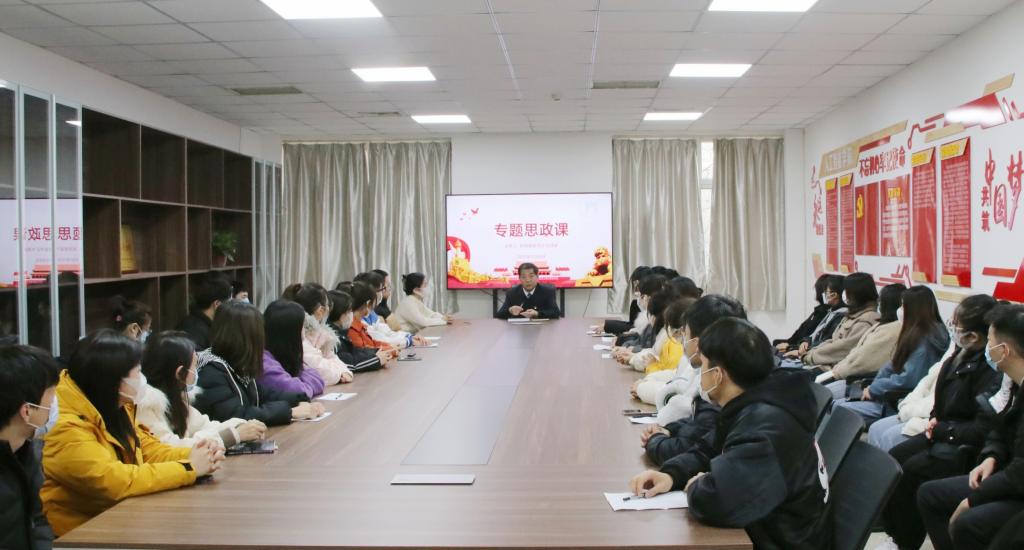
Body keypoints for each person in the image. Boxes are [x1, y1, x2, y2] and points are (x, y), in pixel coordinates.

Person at [629, 318, 830, 549]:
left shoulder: (766, 426)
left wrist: (697, 486)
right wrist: (672, 475)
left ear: (718, 374)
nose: (700, 374)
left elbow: (717, 501)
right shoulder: (750, 405)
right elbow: (706, 449)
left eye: (703, 365)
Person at [40, 330, 224, 536]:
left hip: (121, 519)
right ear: (112, 380)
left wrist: (198, 454)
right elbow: (113, 481)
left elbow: (148, 450)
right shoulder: (66, 426)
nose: (142, 378)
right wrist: (188, 468)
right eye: (137, 371)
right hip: (79, 533)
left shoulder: (115, 404)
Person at [875, 294, 1001, 550]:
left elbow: (983, 426)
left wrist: (943, 429)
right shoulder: (959, 355)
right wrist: (935, 419)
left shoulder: (990, 370)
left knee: (912, 473)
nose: (951, 328)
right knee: (894, 460)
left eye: (956, 325)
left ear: (975, 336)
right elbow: (941, 395)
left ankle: (906, 541)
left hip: (962, 443)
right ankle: (896, 536)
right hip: (943, 432)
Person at [918, 303, 1024, 550]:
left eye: (991, 341)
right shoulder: (1011, 382)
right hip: (1008, 472)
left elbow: (1020, 473)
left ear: (1004, 350)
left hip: (1018, 485)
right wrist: (991, 456)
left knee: (969, 522)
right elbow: (999, 426)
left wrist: (973, 500)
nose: (987, 347)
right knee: (930, 494)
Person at [641, 294, 746, 464]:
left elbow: (690, 449)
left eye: (685, 332)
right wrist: (670, 430)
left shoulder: (718, 391)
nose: (682, 338)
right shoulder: (729, 377)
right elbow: (698, 428)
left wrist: (655, 440)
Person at [832, 285, 948, 425]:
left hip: (896, 400)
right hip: (885, 394)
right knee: (836, 404)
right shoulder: (913, 334)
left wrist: (875, 389)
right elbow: (892, 365)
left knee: (837, 408)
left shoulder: (926, 343)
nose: (900, 310)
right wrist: (874, 387)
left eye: (903, 306)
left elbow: (908, 379)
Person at [192, 301, 323, 426]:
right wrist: (290, 412)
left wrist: (299, 399)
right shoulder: (211, 371)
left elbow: (262, 394)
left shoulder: (234, 362)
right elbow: (236, 415)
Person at [136, 331, 267, 448]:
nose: (196, 371)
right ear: (180, 373)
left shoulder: (177, 398)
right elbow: (171, 448)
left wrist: (240, 425)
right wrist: (232, 435)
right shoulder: (144, 406)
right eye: (194, 366)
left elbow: (205, 425)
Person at [0, 345, 58, 550]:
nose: (54, 405)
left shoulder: (26, 451)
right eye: (51, 396)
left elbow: (38, 521)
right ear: (27, 411)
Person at [795, 272, 879, 370]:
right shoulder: (852, 315)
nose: (844, 294)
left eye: (846, 290)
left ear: (856, 293)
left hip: (835, 371)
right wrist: (810, 352)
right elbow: (832, 340)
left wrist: (810, 357)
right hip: (824, 364)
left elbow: (842, 349)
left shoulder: (865, 322)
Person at [825, 283, 905, 382]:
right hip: (843, 371)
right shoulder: (880, 324)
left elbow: (861, 361)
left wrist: (836, 373)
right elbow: (855, 353)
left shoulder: (890, 330)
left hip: (858, 379)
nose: (878, 303)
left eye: (881, 301)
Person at [280, 283, 353, 385]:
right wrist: (339, 374)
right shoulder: (298, 332)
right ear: (320, 310)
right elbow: (317, 367)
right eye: (327, 306)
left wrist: (344, 371)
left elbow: (331, 357)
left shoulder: (320, 333)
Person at [632, 298, 695, 404]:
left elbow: (679, 394)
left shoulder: (678, 347)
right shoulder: (685, 354)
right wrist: (647, 381)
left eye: (680, 332)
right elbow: (675, 376)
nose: (675, 336)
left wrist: (642, 388)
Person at [260, 301, 326, 399]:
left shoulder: (284, 355)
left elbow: (317, 378)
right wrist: (306, 386)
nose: (304, 332)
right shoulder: (264, 363)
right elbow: (299, 392)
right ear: (291, 332)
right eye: (302, 327)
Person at [326, 290, 394, 372]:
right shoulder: (331, 338)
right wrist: (376, 360)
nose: (351, 315)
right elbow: (347, 363)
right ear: (339, 313)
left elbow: (355, 351)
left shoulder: (342, 332)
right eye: (349, 311)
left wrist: (376, 353)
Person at [781, 274, 846, 357]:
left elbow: (827, 341)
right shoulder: (831, 312)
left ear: (834, 295)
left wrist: (794, 349)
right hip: (808, 352)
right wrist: (805, 341)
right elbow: (813, 335)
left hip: (815, 356)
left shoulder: (841, 316)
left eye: (826, 291)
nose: (824, 294)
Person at [176, 275, 231, 350]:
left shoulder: (208, 323)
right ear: (217, 304)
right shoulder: (193, 331)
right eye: (228, 303)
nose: (230, 307)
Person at [494, 262, 560, 320]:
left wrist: (537, 313)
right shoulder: (512, 292)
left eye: (531, 276)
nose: (528, 280)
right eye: (523, 277)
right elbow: (499, 314)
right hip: (518, 328)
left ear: (537, 276)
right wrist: (510, 310)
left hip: (541, 328)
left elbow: (556, 313)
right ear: (519, 278)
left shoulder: (547, 291)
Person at [602, 266, 651, 335]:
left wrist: (607, 326)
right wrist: (606, 325)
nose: (636, 290)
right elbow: (631, 326)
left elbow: (637, 329)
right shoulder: (636, 304)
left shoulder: (655, 308)